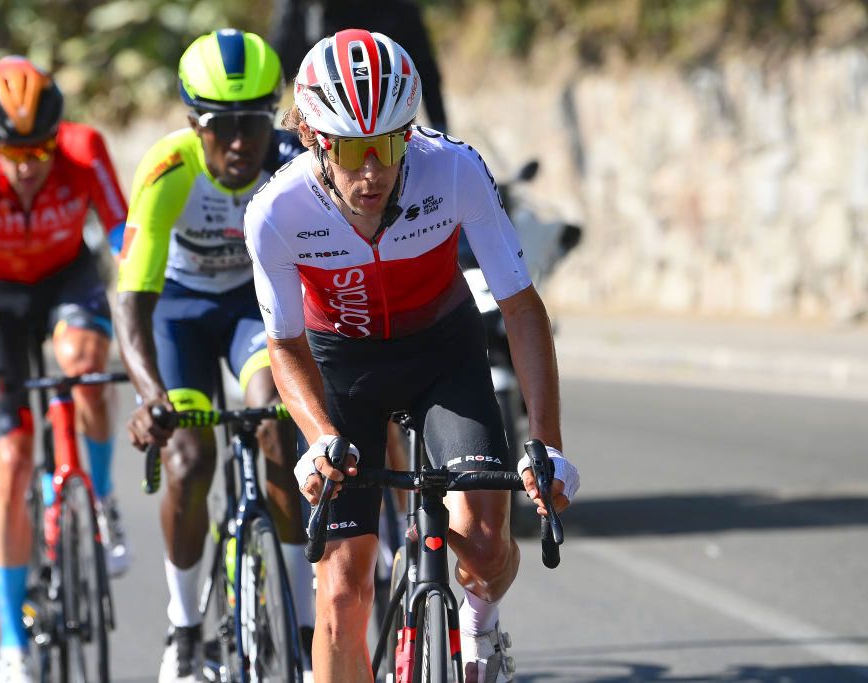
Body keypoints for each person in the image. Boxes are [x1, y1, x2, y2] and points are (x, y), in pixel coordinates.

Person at [244, 30, 581, 683]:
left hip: (441, 354)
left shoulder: (453, 169)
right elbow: (285, 346)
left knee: (485, 545)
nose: (373, 169)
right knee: (342, 590)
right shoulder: (277, 212)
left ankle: (481, 629)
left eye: (390, 143)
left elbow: (519, 305)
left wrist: (547, 443)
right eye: (352, 149)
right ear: (315, 139)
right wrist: (318, 439)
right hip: (342, 366)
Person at [114, 29, 313, 683]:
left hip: (251, 312)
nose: (238, 142)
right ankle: (184, 631)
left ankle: (305, 629)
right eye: (221, 125)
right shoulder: (167, 171)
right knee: (191, 458)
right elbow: (131, 301)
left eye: (252, 122)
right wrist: (151, 396)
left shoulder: (290, 162)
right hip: (178, 314)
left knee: (278, 432)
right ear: (194, 126)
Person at [0, 56, 131, 683]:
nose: (26, 168)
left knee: (86, 368)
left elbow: (128, 242)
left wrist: (140, 326)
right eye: (11, 154)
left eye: (39, 152)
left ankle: (99, 498)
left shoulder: (83, 149)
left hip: (66, 278)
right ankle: (13, 642)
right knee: (12, 457)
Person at [268, 0, 448, 131]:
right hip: (328, 124)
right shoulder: (304, 9)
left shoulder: (400, 11)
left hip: (387, 120)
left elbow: (427, 72)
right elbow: (280, 64)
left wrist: (440, 127)